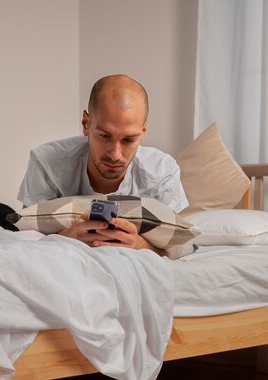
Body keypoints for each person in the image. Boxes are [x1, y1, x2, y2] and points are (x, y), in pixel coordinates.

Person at [17, 74, 188, 251]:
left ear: (143, 131)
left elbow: (181, 246)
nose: (115, 154)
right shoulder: (47, 162)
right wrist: (66, 238)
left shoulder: (162, 172)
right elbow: (24, 235)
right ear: (86, 123)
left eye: (129, 140)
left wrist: (140, 244)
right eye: (105, 136)